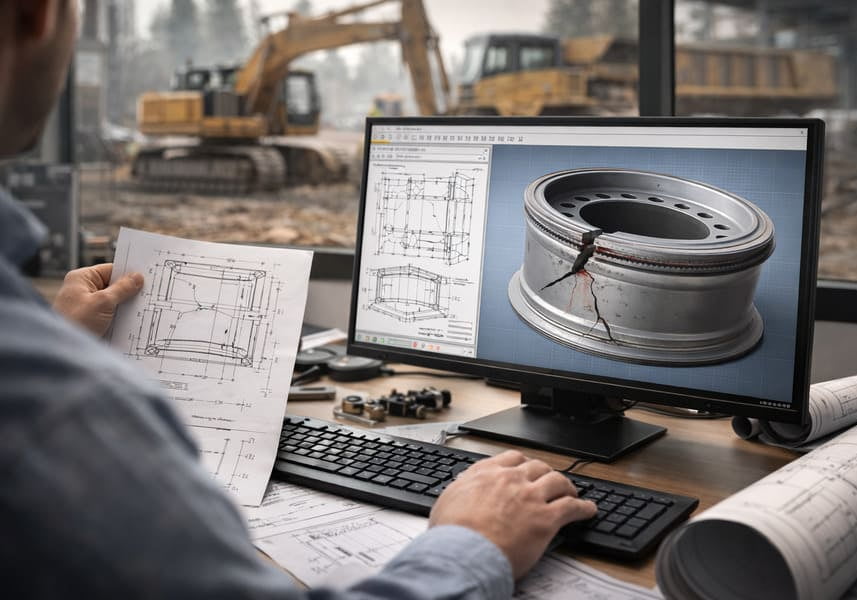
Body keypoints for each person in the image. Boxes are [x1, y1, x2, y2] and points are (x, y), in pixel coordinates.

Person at [0, 2, 596, 598]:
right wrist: (475, 543)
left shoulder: (36, 374)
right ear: (38, 15)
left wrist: (66, 339)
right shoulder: (58, 415)